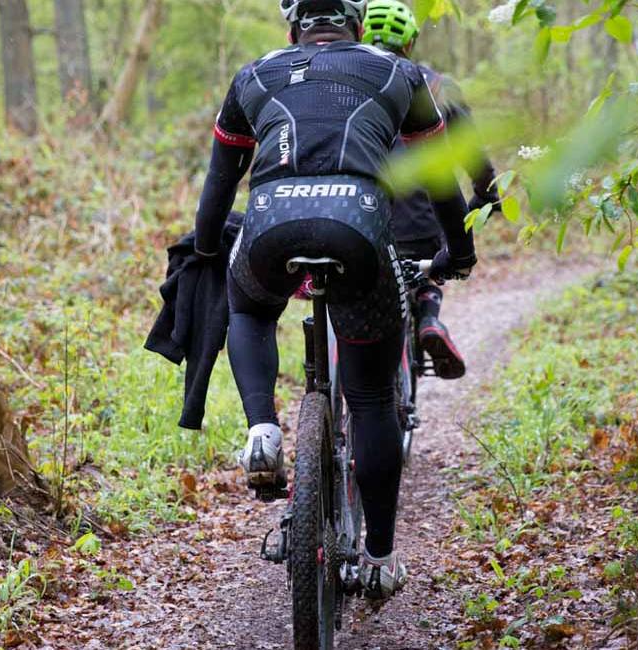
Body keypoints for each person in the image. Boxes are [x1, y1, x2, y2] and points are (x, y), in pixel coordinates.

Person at [191, 0, 476, 598]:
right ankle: (378, 557)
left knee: (248, 307)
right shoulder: (401, 74)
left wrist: (212, 249)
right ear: (356, 23)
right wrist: (460, 250)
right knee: (372, 398)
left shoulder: (253, 73)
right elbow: (444, 180)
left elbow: (220, 181)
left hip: (270, 226)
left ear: (293, 25)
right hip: (361, 228)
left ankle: (263, 429)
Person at [362, 0, 500, 380]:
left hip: (354, 212)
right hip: (419, 217)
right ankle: (428, 315)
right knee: (436, 247)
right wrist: (488, 194)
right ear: (410, 44)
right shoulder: (437, 85)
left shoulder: (346, 82)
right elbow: (473, 155)